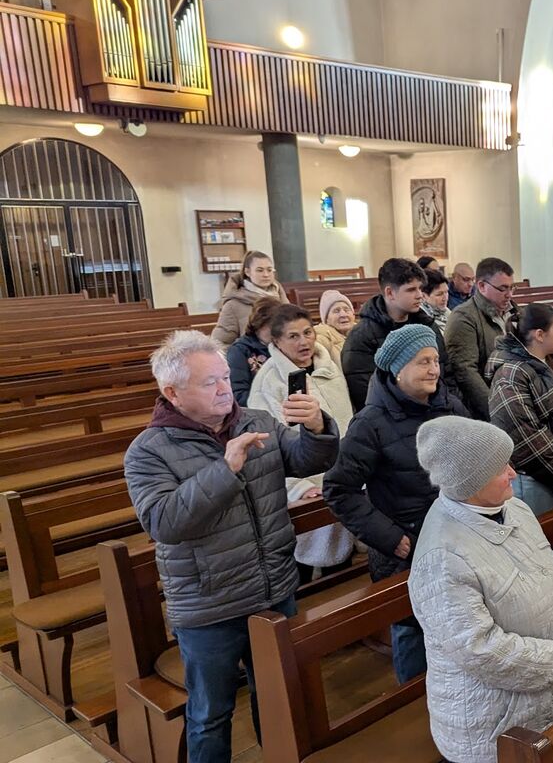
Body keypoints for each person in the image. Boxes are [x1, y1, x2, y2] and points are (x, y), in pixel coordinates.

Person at [123, 330, 339, 763]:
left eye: (225, 376)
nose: (226, 388)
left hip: (273, 590)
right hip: (209, 604)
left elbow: (308, 460)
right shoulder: (148, 452)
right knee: (210, 714)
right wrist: (226, 469)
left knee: (277, 698)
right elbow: (164, 522)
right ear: (172, 392)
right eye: (210, 382)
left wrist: (316, 426)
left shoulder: (255, 421)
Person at [410, 416, 553, 763]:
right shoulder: (442, 557)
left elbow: (552, 567)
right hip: (493, 725)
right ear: (471, 482)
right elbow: (481, 650)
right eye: (500, 468)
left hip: (545, 695)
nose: (513, 473)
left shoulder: (515, 509)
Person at [323, 324, 469, 682]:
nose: (434, 369)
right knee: (411, 630)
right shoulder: (370, 424)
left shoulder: (449, 405)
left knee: (458, 624)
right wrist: (390, 538)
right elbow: (339, 489)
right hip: (406, 549)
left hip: (454, 540)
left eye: (435, 360)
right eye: (423, 362)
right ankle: (412, 700)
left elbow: (471, 458)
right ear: (397, 369)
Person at [249, 304, 355, 584]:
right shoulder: (268, 383)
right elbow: (267, 446)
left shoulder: (329, 365)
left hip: (342, 477)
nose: (304, 341)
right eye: (293, 337)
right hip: (305, 487)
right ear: (277, 342)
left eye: (308, 332)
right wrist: (298, 487)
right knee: (303, 570)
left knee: (343, 574)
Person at [487, 303, 553, 517]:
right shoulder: (510, 375)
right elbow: (526, 437)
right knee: (538, 541)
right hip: (534, 478)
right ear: (539, 335)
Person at [341, 258, 451, 413]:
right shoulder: (362, 336)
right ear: (390, 293)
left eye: (420, 288)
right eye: (411, 290)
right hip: (392, 418)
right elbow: (366, 392)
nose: (420, 295)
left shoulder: (426, 324)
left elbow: (446, 371)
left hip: (436, 408)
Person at [446, 256, 518, 419]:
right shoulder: (464, 318)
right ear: (481, 286)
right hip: (489, 404)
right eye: (503, 288)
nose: (509, 295)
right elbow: (465, 372)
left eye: (512, 288)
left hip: (516, 394)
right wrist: (497, 410)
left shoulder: (514, 312)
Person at [211, 251, 289, 345]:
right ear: (247, 272)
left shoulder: (281, 298)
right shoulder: (233, 304)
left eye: (269, 270)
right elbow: (219, 343)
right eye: (260, 270)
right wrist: (242, 354)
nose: (266, 274)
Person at [227, 297, 279, 407]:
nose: (277, 332)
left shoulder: (284, 346)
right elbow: (237, 394)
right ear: (258, 325)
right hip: (256, 410)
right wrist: (272, 403)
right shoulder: (239, 350)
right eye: (272, 327)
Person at [313, 289, 356, 364]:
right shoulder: (321, 338)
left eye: (346, 310)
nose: (343, 315)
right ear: (326, 319)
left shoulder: (363, 332)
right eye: (336, 311)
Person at [420, 268, 451, 333]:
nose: (445, 298)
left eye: (446, 292)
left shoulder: (446, 311)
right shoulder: (421, 319)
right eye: (439, 294)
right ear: (424, 296)